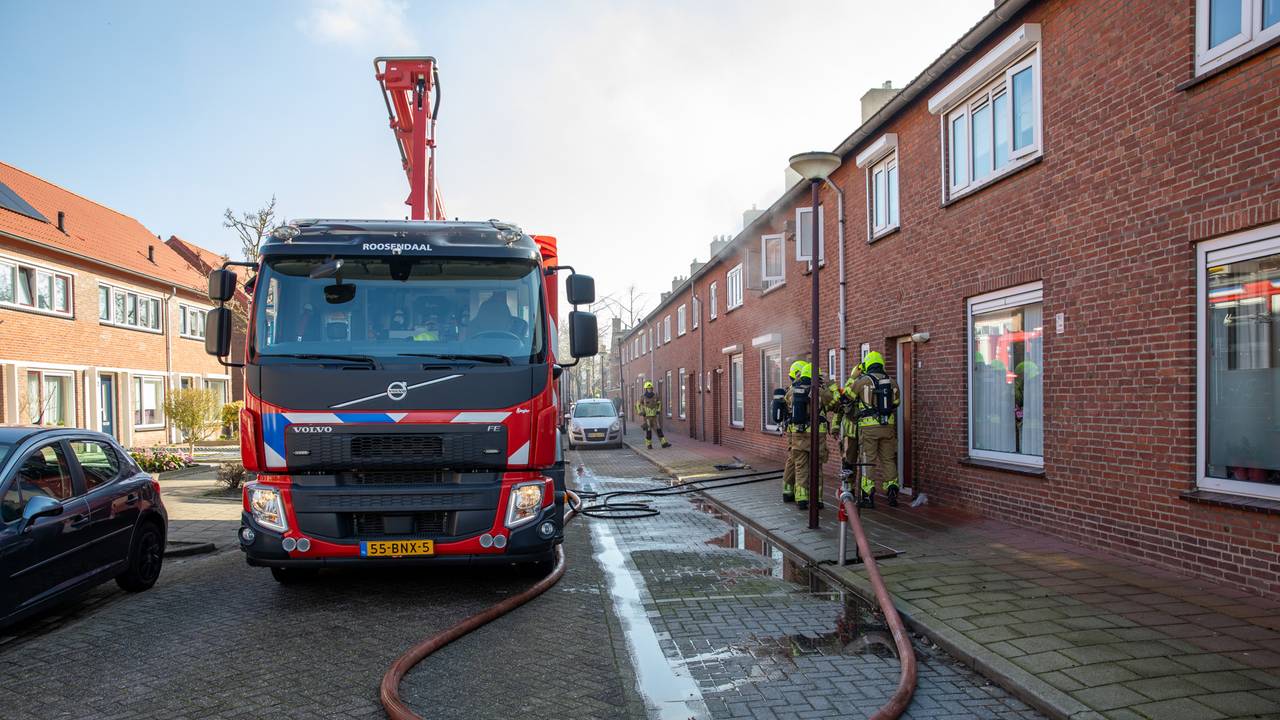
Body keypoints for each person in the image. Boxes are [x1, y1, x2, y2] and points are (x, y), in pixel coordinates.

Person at [851, 351, 901, 508]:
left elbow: (847, 398)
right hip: (888, 427)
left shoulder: (862, 381)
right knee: (888, 460)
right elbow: (897, 402)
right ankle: (892, 490)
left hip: (868, 428)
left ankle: (867, 495)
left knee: (868, 460)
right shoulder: (892, 382)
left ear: (867, 365)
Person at [783, 361, 834, 511]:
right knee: (816, 467)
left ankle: (802, 499)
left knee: (800, 467)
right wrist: (829, 383)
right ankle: (817, 499)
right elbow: (835, 401)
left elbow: (787, 405)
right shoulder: (820, 391)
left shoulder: (792, 391)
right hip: (817, 435)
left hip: (798, 435)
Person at [635, 381, 670, 449]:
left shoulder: (655, 395)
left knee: (658, 429)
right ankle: (649, 444)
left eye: (651, 388)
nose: (650, 389)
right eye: (648, 388)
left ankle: (664, 443)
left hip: (654, 416)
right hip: (647, 417)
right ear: (646, 389)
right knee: (648, 431)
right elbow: (637, 405)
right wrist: (640, 412)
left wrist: (658, 410)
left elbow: (659, 403)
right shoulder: (643, 397)